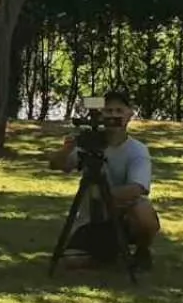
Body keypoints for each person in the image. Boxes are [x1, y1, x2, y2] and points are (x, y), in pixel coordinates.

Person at [48, 87, 161, 269]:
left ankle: (141, 252)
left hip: (123, 216)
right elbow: (56, 164)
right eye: (108, 111)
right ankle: (108, 253)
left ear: (129, 115)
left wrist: (104, 197)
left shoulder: (137, 150)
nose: (113, 116)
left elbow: (137, 189)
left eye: (119, 111)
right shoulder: (91, 144)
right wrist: (66, 150)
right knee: (70, 262)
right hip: (92, 219)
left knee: (144, 212)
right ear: (101, 114)